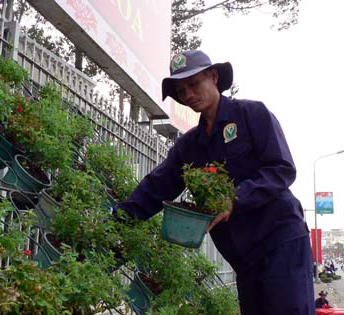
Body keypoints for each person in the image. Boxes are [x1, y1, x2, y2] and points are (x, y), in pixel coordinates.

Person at [114, 50, 315, 315]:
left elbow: (282, 169)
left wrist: (235, 199)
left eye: (194, 83)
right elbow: (156, 187)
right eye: (181, 90)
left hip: (279, 240)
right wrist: (117, 218)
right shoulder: (190, 146)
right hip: (243, 256)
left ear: (213, 76)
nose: (188, 95)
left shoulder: (251, 114)